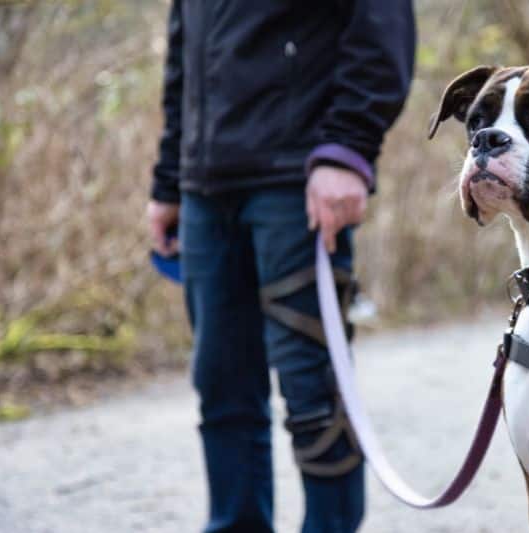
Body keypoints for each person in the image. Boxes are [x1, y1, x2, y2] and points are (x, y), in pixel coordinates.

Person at [146, 2, 415, 532]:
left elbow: (382, 24)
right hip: (205, 186)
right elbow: (186, 51)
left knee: (310, 387)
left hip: (297, 181)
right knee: (221, 385)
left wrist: (346, 149)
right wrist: (167, 181)